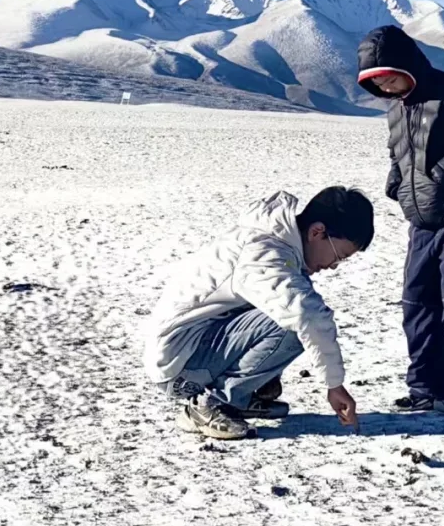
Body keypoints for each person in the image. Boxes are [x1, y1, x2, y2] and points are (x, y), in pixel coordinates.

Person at [144, 187, 373, 440]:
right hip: (181, 366)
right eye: (339, 256)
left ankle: (241, 396)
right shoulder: (264, 254)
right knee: (294, 321)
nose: (333, 266)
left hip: (188, 352)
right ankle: (211, 403)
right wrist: (334, 385)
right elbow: (308, 316)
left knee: (289, 306)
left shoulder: (277, 245)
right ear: (317, 232)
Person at [356, 25, 444, 417]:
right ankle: (424, 389)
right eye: (377, 83)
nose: (385, 87)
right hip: (421, 221)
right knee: (417, 303)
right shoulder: (397, 108)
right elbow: (399, 152)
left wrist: (436, 176)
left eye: (389, 78)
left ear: (406, 65)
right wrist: (397, 182)